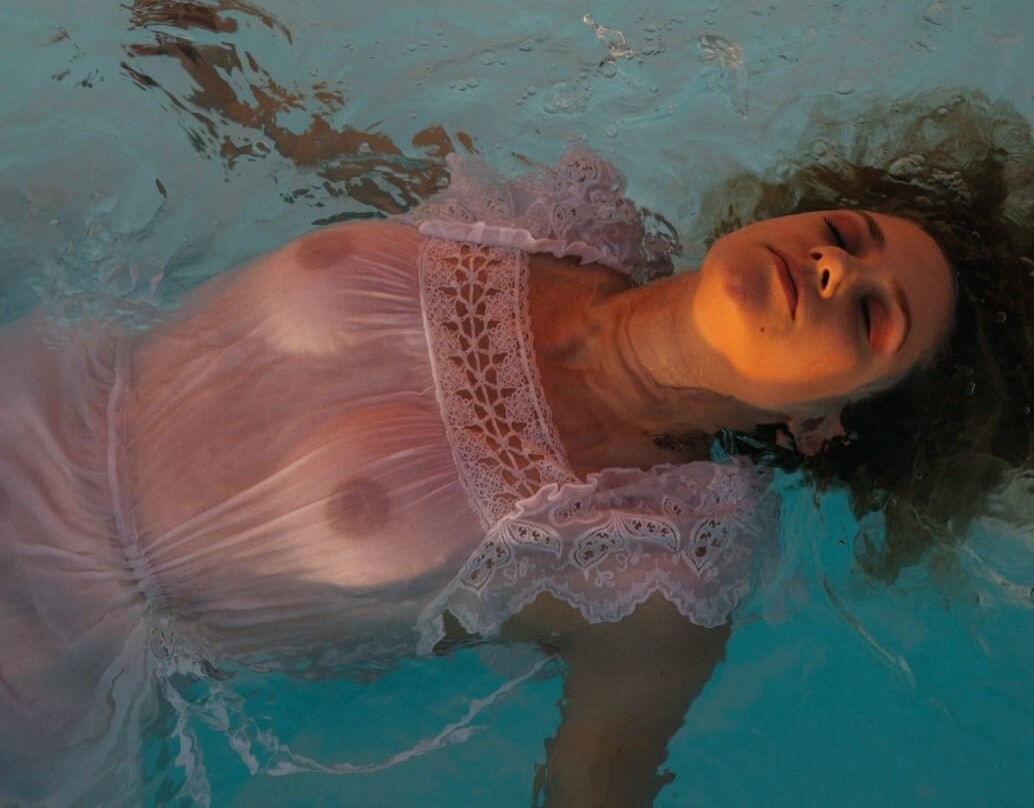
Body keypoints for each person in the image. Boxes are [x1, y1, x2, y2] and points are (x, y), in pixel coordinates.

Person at [0, 144, 955, 806]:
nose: (834, 266)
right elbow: (296, 139)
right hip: (31, 386)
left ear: (822, 428)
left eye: (873, 315)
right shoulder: (555, 221)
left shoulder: (658, 568)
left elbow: (593, 792)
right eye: (847, 231)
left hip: (45, 654)